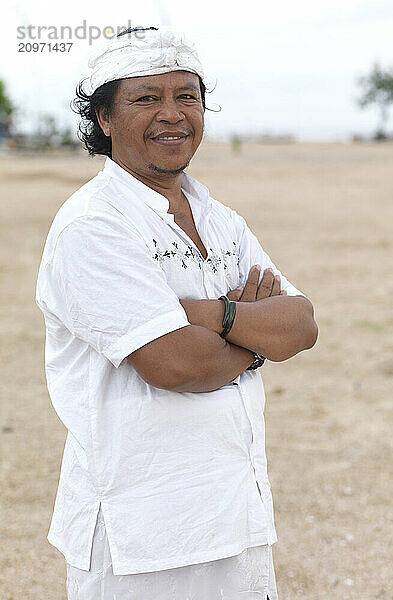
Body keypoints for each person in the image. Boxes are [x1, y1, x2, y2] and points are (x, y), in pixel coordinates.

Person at [35, 26, 318, 600]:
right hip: (141, 530)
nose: (173, 114)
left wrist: (210, 316)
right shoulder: (95, 225)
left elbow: (302, 324)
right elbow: (177, 366)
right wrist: (251, 328)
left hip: (236, 514)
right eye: (146, 98)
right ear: (104, 119)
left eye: (187, 96)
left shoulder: (219, 219)